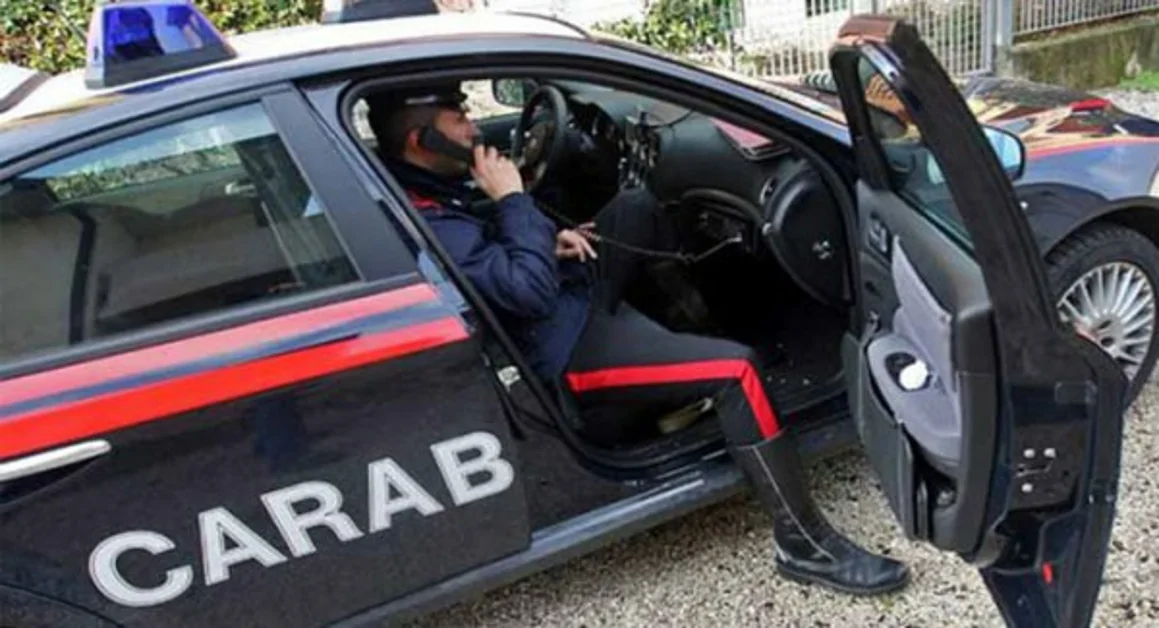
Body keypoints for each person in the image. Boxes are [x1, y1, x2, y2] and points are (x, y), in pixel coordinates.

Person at [366, 83, 910, 596]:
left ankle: (682, 350)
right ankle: (806, 547)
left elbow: (488, 263)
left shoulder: (423, 187)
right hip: (566, 344)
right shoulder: (430, 214)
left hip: (564, 297)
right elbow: (524, 293)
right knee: (739, 371)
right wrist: (514, 202)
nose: (473, 126)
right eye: (458, 118)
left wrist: (542, 237)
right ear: (422, 140)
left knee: (636, 208)